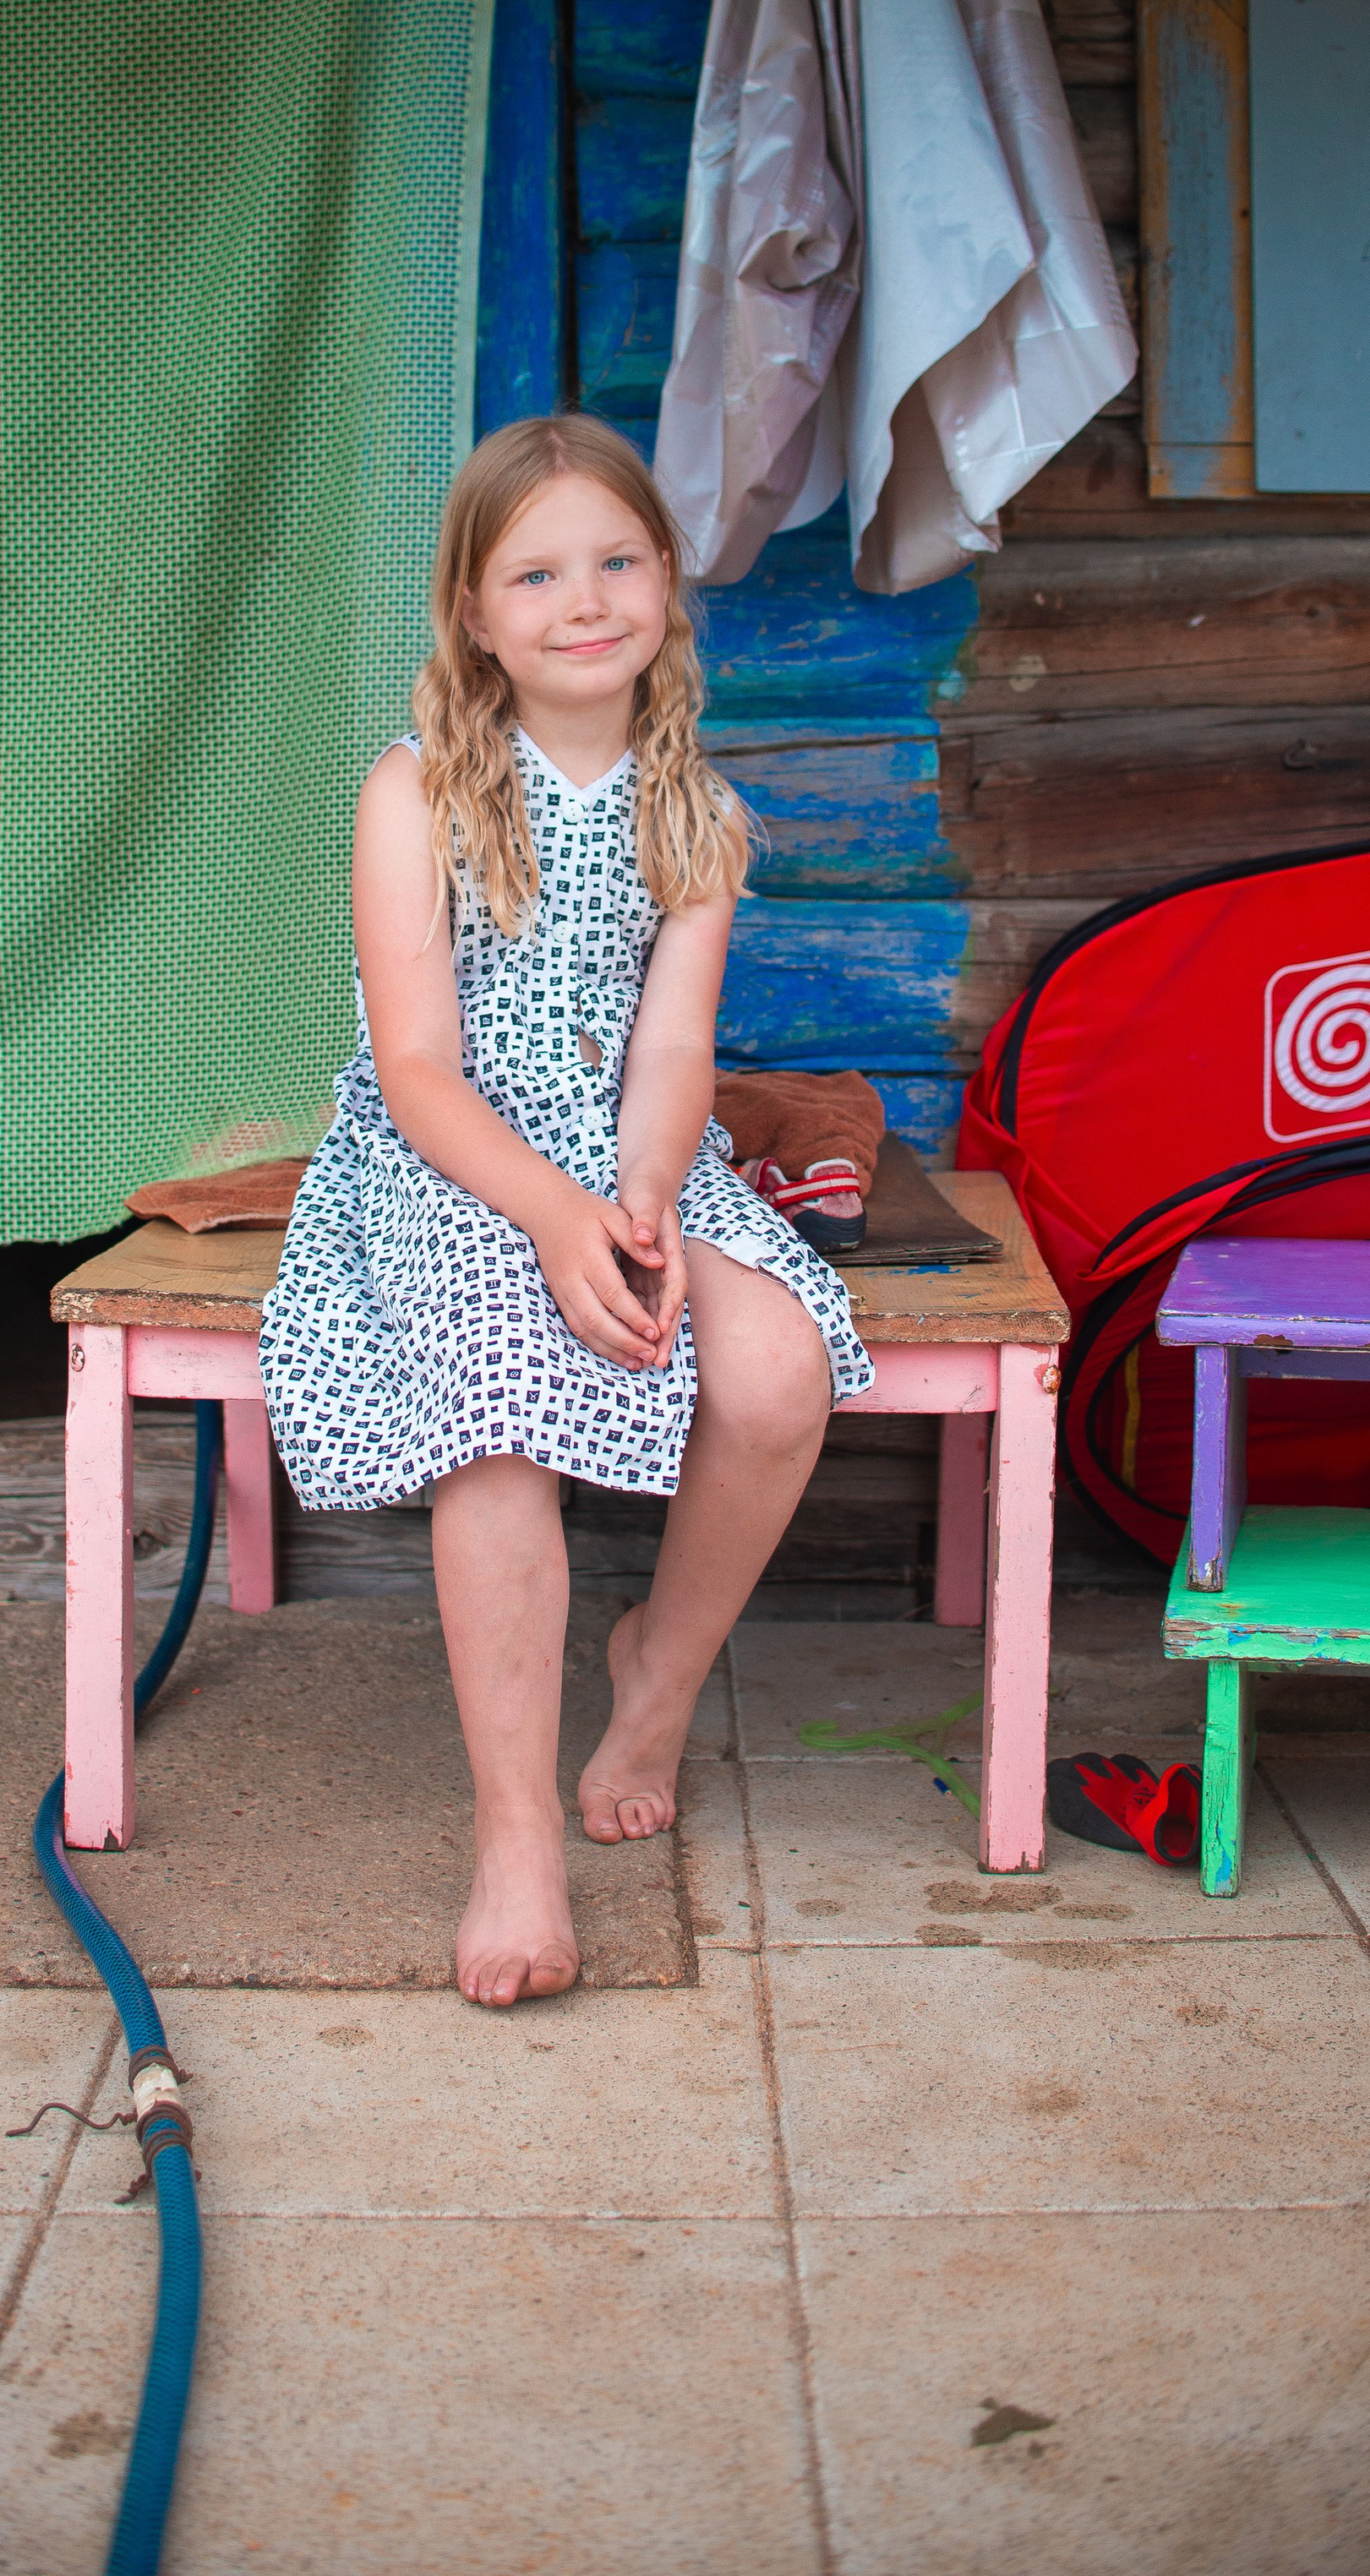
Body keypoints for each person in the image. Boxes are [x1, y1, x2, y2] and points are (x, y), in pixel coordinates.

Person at [259, 415, 872, 2007]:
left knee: (778, 1369)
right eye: (535, 571)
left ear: (668, 581)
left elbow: (674, 1044)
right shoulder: (422, 791)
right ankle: (515, 1833)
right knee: (501, 1405)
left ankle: (655, 1682)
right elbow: (415, 1065)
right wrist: (548, 1217)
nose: (583, 598)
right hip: (454, 1155)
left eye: (616, 560)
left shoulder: (700, 812)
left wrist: (648, 1198)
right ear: (473, 610)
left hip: (626, 1143)